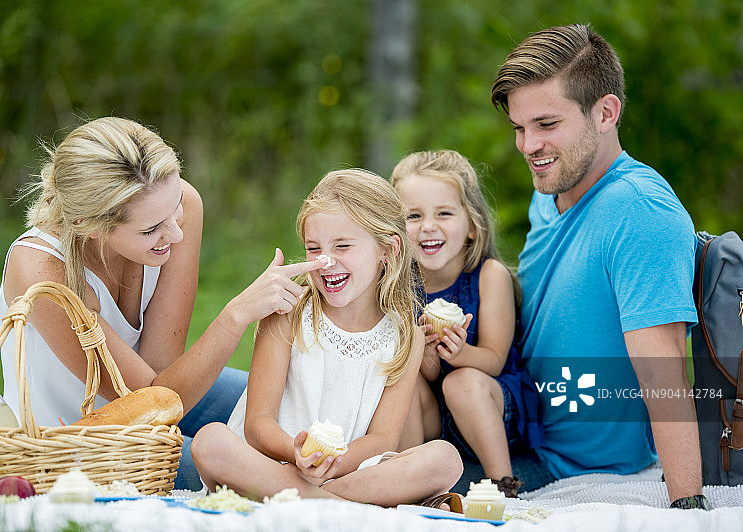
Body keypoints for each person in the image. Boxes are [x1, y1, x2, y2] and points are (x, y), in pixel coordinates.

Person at [0, 116, 326, 488]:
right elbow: (154, 399)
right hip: (82, 444)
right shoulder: (40, 268)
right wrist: (236, 315)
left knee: (298, 404)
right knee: (246, 467)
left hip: (161, 393)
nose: (176, 232)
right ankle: (342, 506)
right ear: (91, 226)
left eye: (175, 210)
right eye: (151, 229)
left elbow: (162, 382)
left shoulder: (177, 202)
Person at [490, 24, 706, 509]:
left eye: (546, 125)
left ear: (606, 112)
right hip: (509, 419)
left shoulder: (640, 212)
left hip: (557, 465)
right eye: (519, 128)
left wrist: (688, 506)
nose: (527, 146)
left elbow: (663, 374)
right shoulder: (551, 189)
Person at [190, 169, 463, 506]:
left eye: (343, 246)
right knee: (210, 442)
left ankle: (312, 501)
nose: (326, 262)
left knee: (445, 459)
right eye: (314, 248)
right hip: (275, 464)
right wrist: (296, 451)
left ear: (387, 250)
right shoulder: (288, 312)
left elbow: (382, 438)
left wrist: (333, 464)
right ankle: (339, 507)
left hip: (349, 472)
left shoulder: (405, 335)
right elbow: (258, 423)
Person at [391, 150, 544, 497]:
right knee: (406, 380)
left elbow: (493, 359)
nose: (428, 226)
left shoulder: (489, 276)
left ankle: (504, 486)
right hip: (437, 420)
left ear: (472, 226)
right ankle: (409, 482)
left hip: (491, 405)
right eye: (413, 216)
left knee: (460, 382)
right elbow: (427, 375)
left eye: (444, 213)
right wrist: (427, 351)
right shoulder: (400, 287)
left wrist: (458, 353)